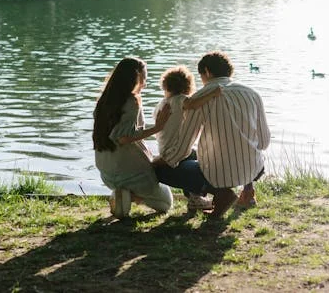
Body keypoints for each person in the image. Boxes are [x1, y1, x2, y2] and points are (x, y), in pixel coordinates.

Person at [154, 51, 270, 218]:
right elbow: (264, 143)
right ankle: (247, 189)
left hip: (219, 175)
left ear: (207, 72)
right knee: (242, 145)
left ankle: (221, 194)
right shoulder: (252, 94)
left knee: (162, 170)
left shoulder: (200, 98)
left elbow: (182, 148)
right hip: (255, 169)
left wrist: (159, 161)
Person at [120, 65, 221, 211]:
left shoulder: (161, 104)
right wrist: (212, 94)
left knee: (192, 153)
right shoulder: (180, 100)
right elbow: (192, 104)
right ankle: (196, 197)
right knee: (196, 156)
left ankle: (195, 197)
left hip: (164, 148)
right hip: (173, 150)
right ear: (187, 86)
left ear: (165, 85)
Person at [93, 57, 173, 219]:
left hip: (106, 173)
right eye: (144, 77)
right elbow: (123, 138)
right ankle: (129, 196)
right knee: (166, 204)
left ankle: (124, 195)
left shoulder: (104, 100)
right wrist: (158, 127)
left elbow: (118, 135)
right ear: (136, 76)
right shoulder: (132, 101)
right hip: (130, 173)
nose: (145, 82)